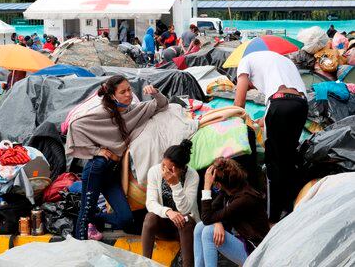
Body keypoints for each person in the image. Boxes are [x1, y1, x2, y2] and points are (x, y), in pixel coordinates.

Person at [66, 75, 169, 241]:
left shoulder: (135, 110)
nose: (128, 94)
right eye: (123, 91)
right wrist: (96, 151)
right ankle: (80, 247)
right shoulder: (102, 113)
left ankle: (96, 220)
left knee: (126, 221)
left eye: (129, 89)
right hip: (97, 168)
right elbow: (74, 126)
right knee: (86, 213)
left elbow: (162, 105)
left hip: (112, 174)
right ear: (113, 96)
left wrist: (155, 92)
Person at [233, 51, 308, 223]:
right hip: (301, 105)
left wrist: (231, 120)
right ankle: (293, 211)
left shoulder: (245, 61)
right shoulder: (281, 61)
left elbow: (239, 104)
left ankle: (272, 219)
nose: (253, 87)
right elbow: (272, 115)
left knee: (273, 164)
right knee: (289, 160)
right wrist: (259, 121)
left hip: (280, 103)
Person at [194, 158, 270, 267]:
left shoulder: (243, 199)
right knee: (200, 227)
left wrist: (206, 187)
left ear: (219, 184)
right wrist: (217, 222)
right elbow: (208, 215)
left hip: (256, 251)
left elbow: (207, 217)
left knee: (209, 232)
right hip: (242, 239)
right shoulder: (230, 189)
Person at [142, 140, 199, 267]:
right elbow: (150, 203)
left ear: (181, 169)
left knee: (186, 219)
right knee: (150, 217)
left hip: (185, 229)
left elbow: (185, 209)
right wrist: (168, 212)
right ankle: (144, 263)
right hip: (164, 227)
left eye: (168, 169)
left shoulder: (192, 175)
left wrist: (175, 184)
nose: (164, 171)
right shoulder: (154, 171)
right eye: (163, 165)